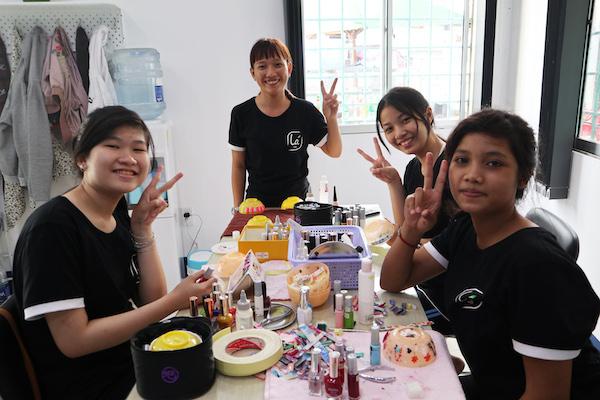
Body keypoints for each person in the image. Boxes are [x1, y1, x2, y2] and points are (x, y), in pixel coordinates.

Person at [380, 108, 600, 399]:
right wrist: (410, 230)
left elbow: (546, 395)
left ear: (523, 177)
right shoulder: (466, 228)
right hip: (493, 385)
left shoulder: (539, 267)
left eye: (493, 163)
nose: (472, 175)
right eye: (462, 160)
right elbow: (393, 280)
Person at [12, 106, 217, 399]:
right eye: (112, 145)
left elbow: (151, 300)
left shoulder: (116, 211)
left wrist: (142, 229)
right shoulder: (52, 228)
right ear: (82, 158)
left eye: (138, 148)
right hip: (95, 385)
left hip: (133, 358)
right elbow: (75, 341)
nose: (129, 158)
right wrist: (175, 300)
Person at [357, 87, 455, 334]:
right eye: (389, 128)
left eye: (405, 120)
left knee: (376, 321)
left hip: (446, 293)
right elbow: (405, 232)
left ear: (428, 114)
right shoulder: (413, 168)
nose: (398, 133)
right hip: (422, 280)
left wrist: (413, 241)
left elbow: (459, 242)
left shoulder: (453, 168)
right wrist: (394, 182)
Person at [229, 37, 342, 209]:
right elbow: (238, 165)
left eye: (277, 64)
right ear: (253, 73)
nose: (271, 73)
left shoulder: (305, 111)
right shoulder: (241, 114)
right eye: (262, 66)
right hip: (256, 206)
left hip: (298, 205)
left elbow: (334, 151)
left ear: (289, 68)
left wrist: (331, 118)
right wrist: (237, 209)